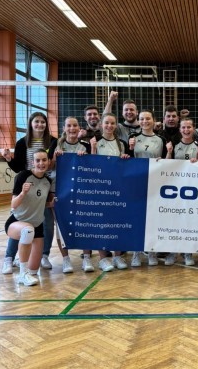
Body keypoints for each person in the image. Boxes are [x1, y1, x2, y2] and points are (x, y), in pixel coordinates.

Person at [1, 112, 57, 274]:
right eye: (36, 121)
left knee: (47, 223)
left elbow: (53, 162)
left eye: (43, 122)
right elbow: (18, 167)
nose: (40, 124)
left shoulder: (53, 141)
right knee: (21, 220)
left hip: (45, 184)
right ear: (30, 124)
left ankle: (44, 255)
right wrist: (9, 159)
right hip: (27, 183)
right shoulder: (22, 142)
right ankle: (9, 258)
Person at [4, 149, 53, 286]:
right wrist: (22, 193)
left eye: (44, 160)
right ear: (33, 162)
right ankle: (21, 275)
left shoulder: (48, 181)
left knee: (34, 271)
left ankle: (23, 265)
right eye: (38, 160)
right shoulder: (23, 176)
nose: (41, 163)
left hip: (37, 225)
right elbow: (13, 204)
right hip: (17, 222)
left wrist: (51, 204)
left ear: (49, 162)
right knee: (27, 230)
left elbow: (40, 203)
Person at [90, 113, 130, 272]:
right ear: (101, 124)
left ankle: (118, 256)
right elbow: (91, 164)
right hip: (100, 188)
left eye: (112, 123)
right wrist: (93, 149)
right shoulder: (95, 142)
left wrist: (125, 158)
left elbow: (126, 167)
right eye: (106, 123)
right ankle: (103, 259)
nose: (109, 126)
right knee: (101, 224)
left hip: (118, 188)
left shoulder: (121, 144)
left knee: (118, 223)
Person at [53, 117, 93, 273]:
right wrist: (55, 157)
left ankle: (87, 257)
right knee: (61, 225)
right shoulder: (56, 145)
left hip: (82, 189)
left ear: (79, 128)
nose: (72, 128)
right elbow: (49, 166)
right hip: (61, 190)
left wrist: (87, 158)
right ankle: (66, 259)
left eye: (75, 125)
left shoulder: (85, 146)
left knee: (85, 222)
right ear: (64, 128)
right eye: (68, 126)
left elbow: (93, 167)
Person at [128, 109, 167, 267]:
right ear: (138, 120)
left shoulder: (161, 139)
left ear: (153, 120)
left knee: (153, 218)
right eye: (142, 119)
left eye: (148, 118)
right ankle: (136, 252)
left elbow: (167, 162)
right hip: (137, 182)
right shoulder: (133, 138)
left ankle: (151, 251)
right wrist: (130, 150)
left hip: (155, 183)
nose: (145, 121)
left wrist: (162, 160)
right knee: (137, 217)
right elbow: (127, 160)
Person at [164, 117, 198, 267]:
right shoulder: (174, 146)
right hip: (176, 189)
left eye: (189, 127)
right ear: (180, 130)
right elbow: (166, 166)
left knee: (189, 221)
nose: (186, 130)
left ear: (193, 129)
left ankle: (187, 252)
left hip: (193, 190)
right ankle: (172, 252)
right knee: (174, 221)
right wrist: (168, 153)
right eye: (183, 127)